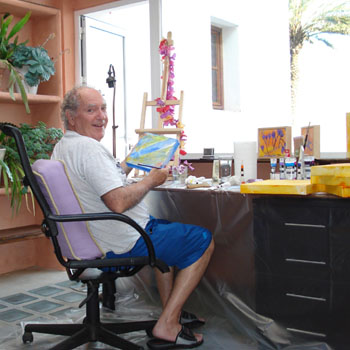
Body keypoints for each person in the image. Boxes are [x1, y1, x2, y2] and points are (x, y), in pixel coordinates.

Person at [51, 86, 214, 349]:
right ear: (71, 117)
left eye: (103, 108)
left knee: (168, 237)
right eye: (91, 110)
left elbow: (96, 182)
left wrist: (129, 162)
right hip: (121, 240)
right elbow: (117, 202)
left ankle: (169, 311)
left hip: (99, 235)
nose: (102, 116)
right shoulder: (89, 149)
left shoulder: (65, 147)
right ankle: (168, 323)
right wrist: (151, 180)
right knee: (203, 240)